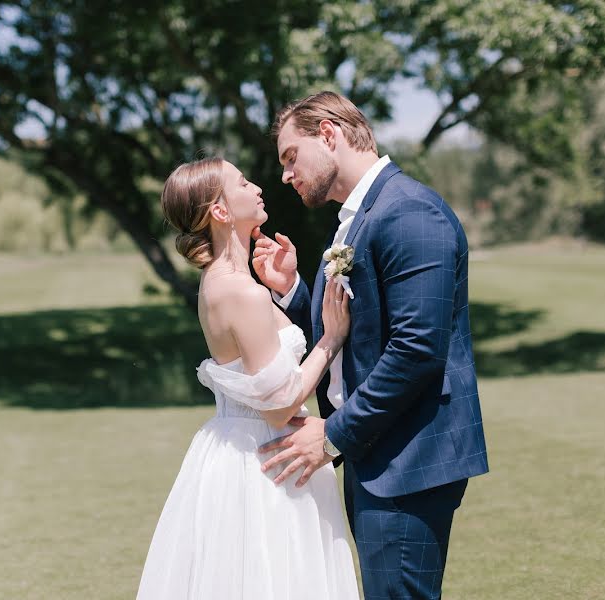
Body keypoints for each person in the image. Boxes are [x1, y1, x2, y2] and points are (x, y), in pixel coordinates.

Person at [252, 91, 490, 599]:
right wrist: (291, 291)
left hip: (408, 459)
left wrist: (332, 435)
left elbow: (416, 350)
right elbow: (358, 332)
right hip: (379, 453)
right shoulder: (365, 213)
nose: (286, 175)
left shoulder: (408, 212)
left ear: (329, 135)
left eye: (291, 157)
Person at [137, 157, 360, 599]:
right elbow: (279, 406)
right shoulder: (239, 291)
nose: (257, 186)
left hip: (237, 448)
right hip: (266, 461)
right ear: (220, 211)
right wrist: (330, 340)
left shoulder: (222, 282)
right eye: (242, 182)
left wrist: (284, 286)